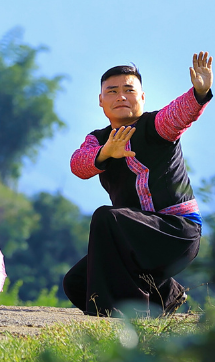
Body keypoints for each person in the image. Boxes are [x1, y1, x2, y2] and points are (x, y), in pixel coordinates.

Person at [63, 54, 211, 317]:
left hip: (176, 233)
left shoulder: (156, 127)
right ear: (101, 101)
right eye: (112, 91)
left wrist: (199, 93)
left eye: (129, 90)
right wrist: (106, 152)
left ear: (142, 97)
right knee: (76, 283)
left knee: (106, 218)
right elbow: (78, 165)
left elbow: (179, 115)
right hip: (133, 241)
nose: (121, 96)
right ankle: (166, 295)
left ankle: (124, 316)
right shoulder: (97, 140)